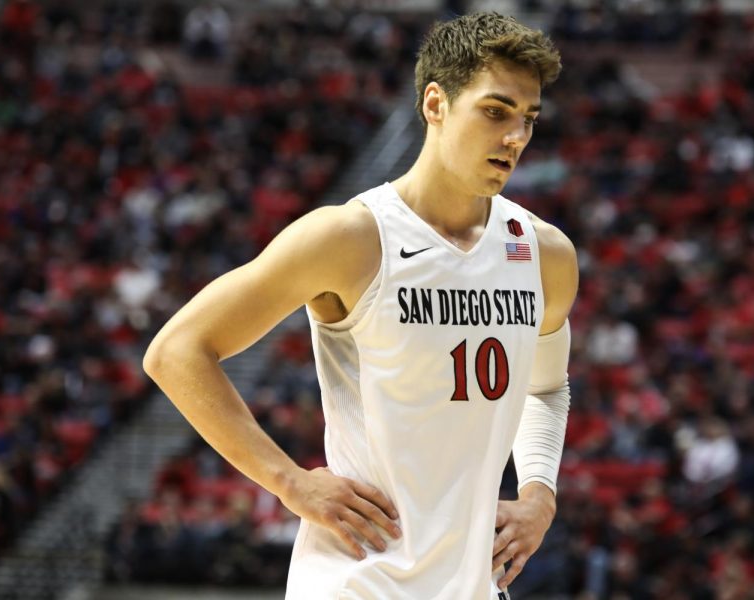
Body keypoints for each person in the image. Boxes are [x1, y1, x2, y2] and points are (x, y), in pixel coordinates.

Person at [144, 12, 578, 599]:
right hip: (358, 580)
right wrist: (290, 484)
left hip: (472, 583)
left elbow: (546, 390)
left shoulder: (544, 253)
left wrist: (539, 496)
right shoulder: (349, 237)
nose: (515, 138)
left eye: (529, 119)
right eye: (495, 111)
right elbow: (176, 352)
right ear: (435, 104)